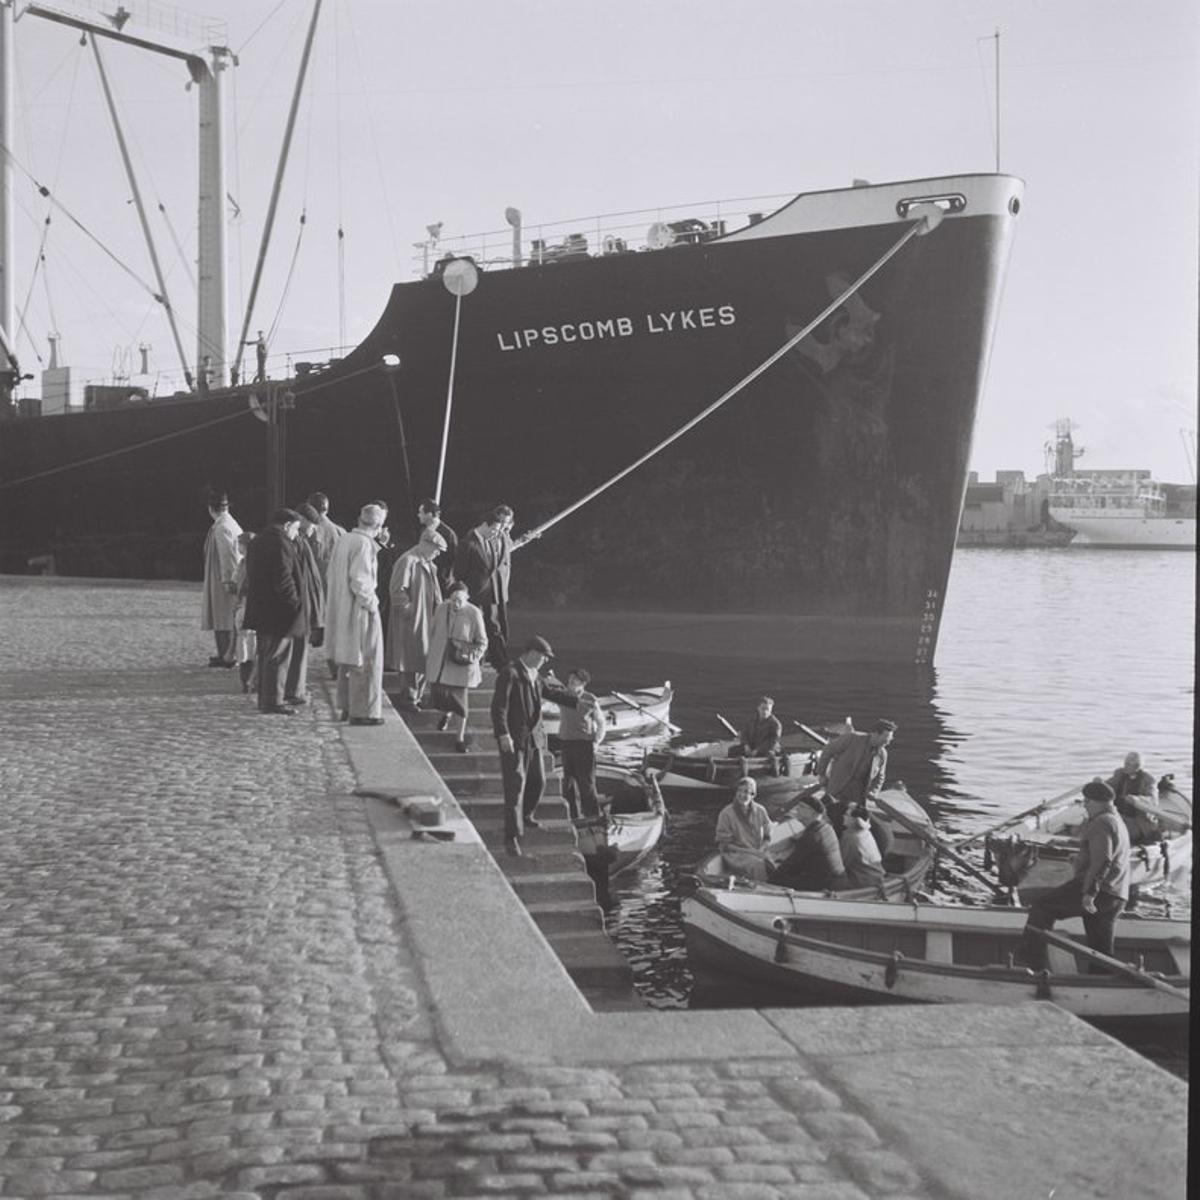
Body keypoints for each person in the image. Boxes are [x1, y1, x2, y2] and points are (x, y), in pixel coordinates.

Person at [490, 635, 593, 856]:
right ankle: (512, 837)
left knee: (538, 780)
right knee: (515, 785)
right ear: (532, 653)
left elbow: (551, 693)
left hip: (534, 739)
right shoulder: (510, 673)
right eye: (543, 657)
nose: (545, 662)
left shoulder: (535, 676)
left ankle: (526, 815)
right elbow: (499, 707)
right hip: (514, 739)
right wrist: (502, 734)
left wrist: (576, 701)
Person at [1021, 780, 1131, 972]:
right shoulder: (1117, 820)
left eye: (1087, 802)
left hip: (1099, 892)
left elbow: (1103, 859)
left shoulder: (1102, 822)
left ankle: (1032, 967)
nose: (1085, 806)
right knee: (1101, 951)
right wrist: (1080, 859)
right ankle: (1101, 984)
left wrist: (1090, 892)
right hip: (1117, 895)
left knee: (1041, 908)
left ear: (1099, 802)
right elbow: (1109, 856)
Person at [325, 504, 387, 726]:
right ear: (379, 526)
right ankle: (364, 712)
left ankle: (346, 705)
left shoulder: (345, 539)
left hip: (342, 607)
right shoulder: (363, 545)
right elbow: (360, 580)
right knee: (367, 660)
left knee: (347, 660)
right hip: (359, 610)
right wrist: (372, 605)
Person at [242, 508, 307, 715]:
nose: (296, 534)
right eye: (296, 529)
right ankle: (273, 700)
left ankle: (266, 698)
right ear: (287, 525)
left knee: (266, 654)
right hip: (278, 611)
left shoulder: (257, 541)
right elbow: (283, 579)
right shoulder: (281, 543)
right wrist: (295, 603)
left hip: (260, 607)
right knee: (278, 656)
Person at [386, 528, 445, 709]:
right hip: (411, 620)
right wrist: (407, 609)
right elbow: (397, 590)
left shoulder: (428, 564)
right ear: (425, 544)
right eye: (436, 549)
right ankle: (409, 697)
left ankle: (416, 696)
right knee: (409, 660)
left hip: (426, 619)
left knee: (422, 658)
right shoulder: (408, 561)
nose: (437, 554)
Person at [425, 581, 488, 752]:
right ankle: (446, 713)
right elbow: (432, 631)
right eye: (453, 599)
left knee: (461, 704)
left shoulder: (474, 613)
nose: (456, 604)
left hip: (461, 665)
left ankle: (459, 739)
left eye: (460, 599)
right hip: (441, 662)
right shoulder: (441, 609)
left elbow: (482, 642)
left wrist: (471, 656)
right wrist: (431, 655)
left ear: (467, 597)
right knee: (440, 697)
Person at [456, 504, 514, 669]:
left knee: (495, 628)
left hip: (493, 594)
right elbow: (460, 573)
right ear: (484, 525)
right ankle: (476, 661)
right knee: (477, 630)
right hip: (475, 595)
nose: (498, 532)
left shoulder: (497, 538)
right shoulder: (468, 543)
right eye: (495, 529)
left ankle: (500, 663)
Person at [816, 718, 897, 831]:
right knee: (829, 818)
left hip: (858, 796)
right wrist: (821, 774)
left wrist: (873, 792)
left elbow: (880, 777)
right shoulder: (851, 738)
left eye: (890, 739)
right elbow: (828, 751)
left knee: (849, 824)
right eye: (886, 739)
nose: (888, 742)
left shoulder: (882, 753)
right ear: (875, 734)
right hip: (837, 788)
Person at [284, 503, 327, 707]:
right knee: (298, 649)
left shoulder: (299, 542)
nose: (313, 530)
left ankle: (294, 688)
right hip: (302, 604)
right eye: (311, 525)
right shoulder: (298, 543)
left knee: (296, 649)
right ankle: (295, 690)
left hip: (304, 603)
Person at [200, 492, 242, 667]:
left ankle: (227, 655)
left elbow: (227, 555)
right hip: (225, 575)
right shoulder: (229, 523)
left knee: (223, 616)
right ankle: (226, 653)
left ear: (211, 509)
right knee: (224, 616)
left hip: (222, 578)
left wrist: (228, 580)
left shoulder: (222, 526)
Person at [557, 668, 606, 820]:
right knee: (568, 783)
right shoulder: (562, 695)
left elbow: (601, 722)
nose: (570, 681)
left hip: (584, 745)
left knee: (587, 784)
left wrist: (597, 741)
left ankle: (593, 817)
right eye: (570, 678)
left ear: (583, 683)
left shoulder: (590, 699)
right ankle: (573, 817)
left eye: (575, 680)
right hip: (566, 744)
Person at [715, 777, 773, 881]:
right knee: (757, 865)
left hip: (756, 851)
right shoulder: (726, 813)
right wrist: (750, 852)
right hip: (735, 854)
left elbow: (767, 837)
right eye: (739, 791)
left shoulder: (760, 811)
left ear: (753, 795)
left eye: (746, 792)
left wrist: (761, 849)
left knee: (772, 865)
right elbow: (724, 845)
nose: (742, 795)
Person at [232, 530, 256, 694]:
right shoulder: (252, 564)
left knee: (244, 645)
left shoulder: (244, 565)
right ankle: (251, 681)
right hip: (249, 607)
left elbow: (235, 584)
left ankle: (246, 682)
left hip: (243, 606)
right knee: (251, 646)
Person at [839, 803, 886, 889]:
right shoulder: (865, 832)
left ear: (854, 820)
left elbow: (841, 863)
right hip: (877, 878)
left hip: (863, 883)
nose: (843, 816)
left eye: (846, 815)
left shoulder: (850, 837)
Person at [417, 498, 458, 592]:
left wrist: (444, 577)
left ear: (430, 514)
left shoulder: (448, 534)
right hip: (424, 580)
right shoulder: (423, 531)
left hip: (441, 582)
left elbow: (453, 559)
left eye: (421, 512)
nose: (418, 515)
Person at [305, 491, 345, 583]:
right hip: (336, 583)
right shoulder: (341, 532)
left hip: (313, 583)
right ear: (327, 509)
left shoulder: (307, 531)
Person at [1106, 751, 1156, 822]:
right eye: (1125, 763)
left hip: (1136, 818)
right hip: (1117, 814)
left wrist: (1137, 799)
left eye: (1128, 764)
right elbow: (1108, 785)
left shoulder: (1149, 780)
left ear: (1137, 766)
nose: (1125, 767)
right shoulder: (1120, 774)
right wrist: (1099, 784)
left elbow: (1153, 800)